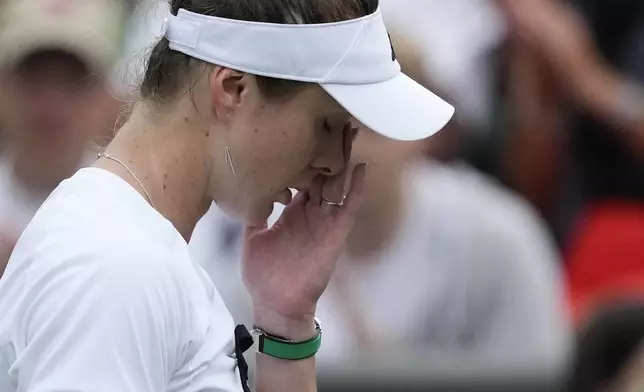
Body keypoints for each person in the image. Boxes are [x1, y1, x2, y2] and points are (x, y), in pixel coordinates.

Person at [0, 1, 454, 391]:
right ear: (233, 89)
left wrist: (286, 325)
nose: (336, 164)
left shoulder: (132, 248)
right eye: (327, 125)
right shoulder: (117, 266)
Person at [191, 32, 570, 375]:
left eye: (373, 127)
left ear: (423, 134)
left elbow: (537, 375)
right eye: (330, 125)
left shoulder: (498, 238)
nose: (350, 150)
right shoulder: (251, 236)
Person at [0, 0, 128, 275]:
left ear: (107, 98)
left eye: (73, 81)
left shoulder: (135, 216)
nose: (50, 105)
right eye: (33, 77)